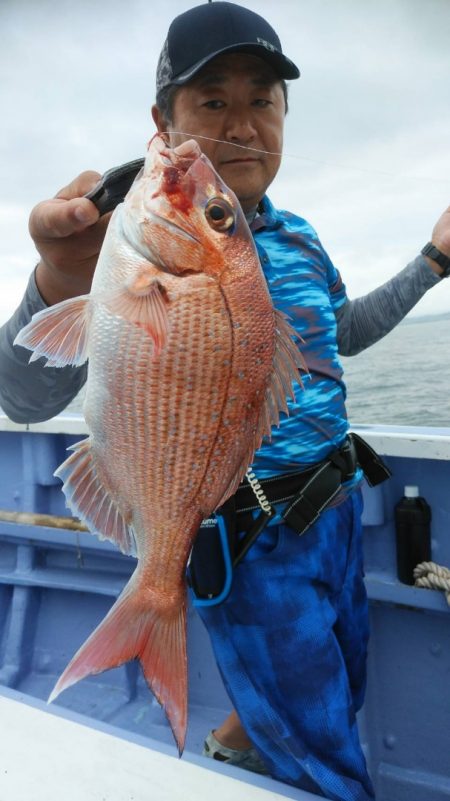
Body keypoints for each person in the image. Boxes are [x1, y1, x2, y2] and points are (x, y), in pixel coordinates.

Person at [1, 3, 449, 799]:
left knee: (343, 684)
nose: (242, 125)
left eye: (262, 100)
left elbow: (343, 332)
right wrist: (58, 280)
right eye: (213, 101)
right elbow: (25, 395)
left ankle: (241, 739)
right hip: (248, 542)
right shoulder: (118, 245)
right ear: (163, 121)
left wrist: (433, 260)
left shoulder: (302, 236)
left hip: (337, 512)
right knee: (322, 758)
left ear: (285, 115)